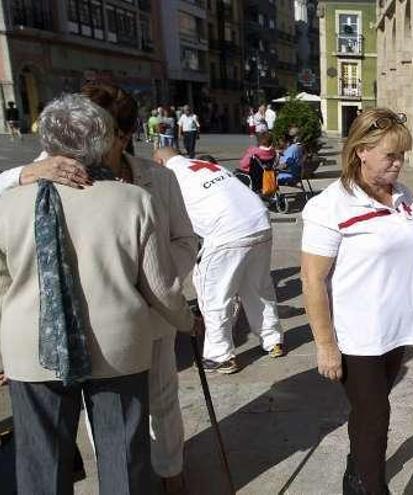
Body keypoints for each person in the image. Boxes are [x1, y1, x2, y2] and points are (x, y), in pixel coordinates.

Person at [0, 83, 199, 493]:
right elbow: (160, 286)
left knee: (40, 462)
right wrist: (185, 318)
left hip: (30, 345)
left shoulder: (9, 202)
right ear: (104, 138)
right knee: (124, 457)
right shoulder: (130, 201)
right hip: (118, 346)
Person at [301, 108, 413, 495]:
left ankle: (356, 473)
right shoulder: (332, 205)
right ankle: (369, 487)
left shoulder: (405, 196)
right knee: (376, 415)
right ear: (361, 150)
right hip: (358, 336)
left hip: (397, 330)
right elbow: (312, 279)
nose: (399, 164)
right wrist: (326, 346)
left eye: (402, 155)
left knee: (368, 411)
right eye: (391, 155)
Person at [154, 148, 286, 374]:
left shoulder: (168, 176)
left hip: (226, 232)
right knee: (258, 287)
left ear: (159, 161)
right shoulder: (206, 166)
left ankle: (220, 356)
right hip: (259, 222)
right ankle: (273, 340)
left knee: (213, 294)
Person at [239, 131, 278, 195]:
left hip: (255, 178)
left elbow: (243, 164)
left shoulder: (253, 152)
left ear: (259, 141)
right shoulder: (273, 152)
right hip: (268, 177)